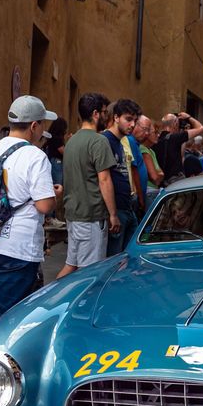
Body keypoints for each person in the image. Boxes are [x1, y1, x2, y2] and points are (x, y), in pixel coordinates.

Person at [0, 96, 58, 342]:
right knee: (5, 318)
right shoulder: (34, 156)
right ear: (34, 126)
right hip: (15, 249)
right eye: (42, 125)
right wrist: (56, 194)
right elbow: (44, 205)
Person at [57, 93, 119, 278]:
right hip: (91, 216)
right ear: (95, 114)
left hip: (74, 214)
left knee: (72, 266)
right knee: (89, 275)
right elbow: (104, 180)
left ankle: (51, 302)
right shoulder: (99, 141)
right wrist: (113, 214)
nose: (106, 116)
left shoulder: (72, 141)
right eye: (104, 112)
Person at [102, 98, 141, 256]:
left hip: (127, 206)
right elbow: (104, 179)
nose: (132, 125)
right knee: (114, 259)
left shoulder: (120, 142)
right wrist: (112, 214)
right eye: (128, 119)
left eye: (135, 121)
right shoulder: (105, 140)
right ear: (116, 117)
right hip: (116, 209)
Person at [157, 112, 203, 185]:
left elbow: (181, 155)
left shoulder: (156, 140)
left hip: (162, 181)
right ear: (175, 124)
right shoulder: (176, 138)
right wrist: (188, 117)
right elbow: (200, 128)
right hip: (175, 181)